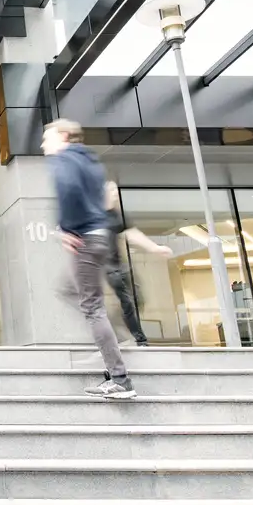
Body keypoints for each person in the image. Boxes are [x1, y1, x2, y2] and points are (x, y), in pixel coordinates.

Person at [43, 119, 135, 400]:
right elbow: (100, 199)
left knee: (92, 308)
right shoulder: (90, 160)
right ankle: (111, 338)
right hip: (99, 236)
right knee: (69, 289)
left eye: (47, 138)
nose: (44, 144)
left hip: (84, 238)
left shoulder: (65, 160)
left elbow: (68, 189)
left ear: (64, 136)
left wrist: (66, 229)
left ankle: (120, 379)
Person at [103, 181, 173, 348]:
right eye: (112, 190)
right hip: (108, 268)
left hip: (120, 265)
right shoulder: (94, 215)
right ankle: (139, 340)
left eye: (116, 190)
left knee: (138, 298)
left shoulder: (115, 215)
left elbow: (132, 234)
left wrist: (155, 248)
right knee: (127, 301)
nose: (115, 194)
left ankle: (118, 326)